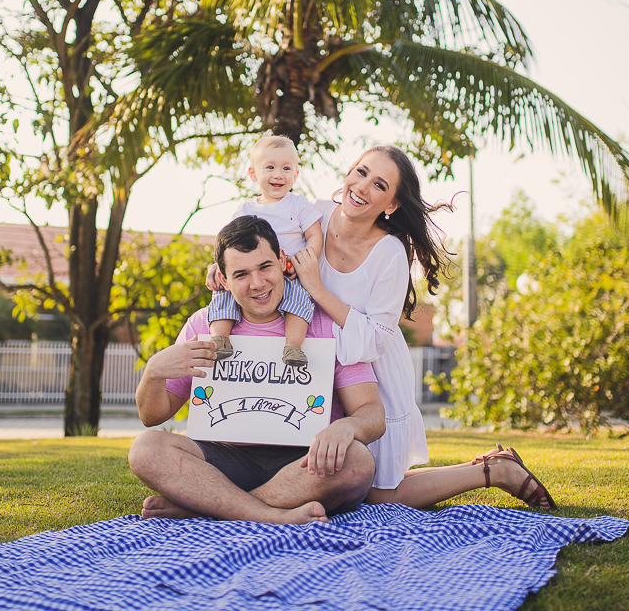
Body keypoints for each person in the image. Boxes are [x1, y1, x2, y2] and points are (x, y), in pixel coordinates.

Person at [291, 145, 557, 510]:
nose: (363, 186)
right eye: (362, 172)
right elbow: (258, 245)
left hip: (373, 377)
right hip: (316, 368)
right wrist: (220, 269)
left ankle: (493, 471)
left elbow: (377, 340)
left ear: (392, 205)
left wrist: (317, 289)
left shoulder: (389, 253)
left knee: (380, 494)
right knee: (333, 478)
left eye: (380, 185)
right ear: (349, 172)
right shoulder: (311, 215)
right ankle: (494, 467)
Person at [130, 215, 386, 524]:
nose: (257, 283)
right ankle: (267, 514)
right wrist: (153, 372)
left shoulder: (324, 322)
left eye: (265, 267)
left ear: (281, 260)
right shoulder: (203, 324)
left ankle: (208, 507)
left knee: (357, 461)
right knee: (146, 449)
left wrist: (348, 427)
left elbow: (372, 412)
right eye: (241, 274)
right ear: (222, 279)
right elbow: (152, 416)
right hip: (225, 459)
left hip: (305, 464)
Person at [205, 135, 324, 368]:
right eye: (270, 167)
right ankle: (220, 339)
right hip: (254, 272)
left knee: (300, 300)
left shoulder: (298, 204)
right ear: (253, 174)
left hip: (290, 272)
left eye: (286, 168)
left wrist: (305, 259)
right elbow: (229, 244)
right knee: (223, 291)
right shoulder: (245, 209)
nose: (278, 174)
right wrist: (217, 267)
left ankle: (293, 346)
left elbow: (315, 235)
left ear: (295, 175)